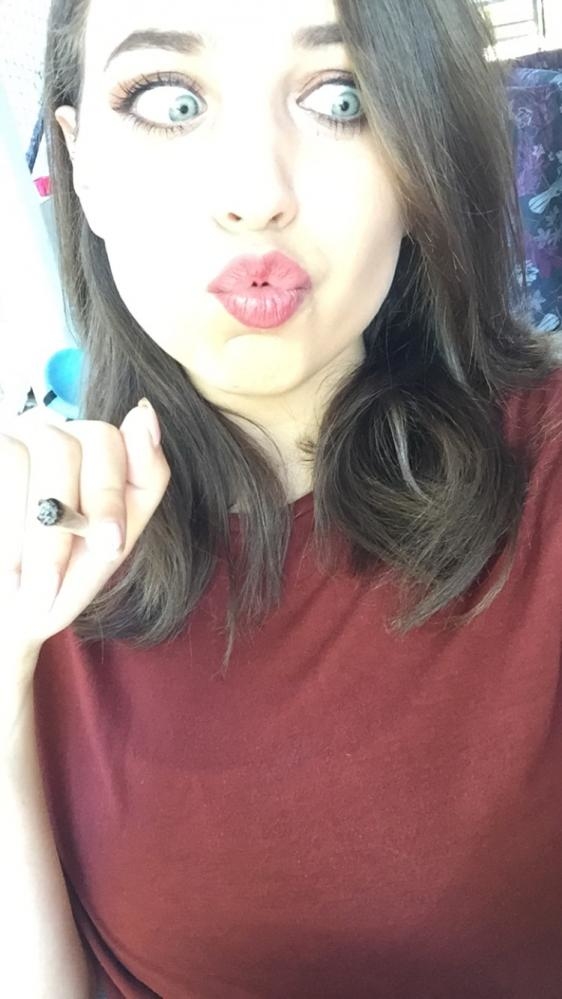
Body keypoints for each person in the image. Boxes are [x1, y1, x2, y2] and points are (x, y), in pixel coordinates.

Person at [2, 0, 562, 995]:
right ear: (80, 164)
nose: (256, 193)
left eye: (342, 97)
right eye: (170, 100)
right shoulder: (41, 554)